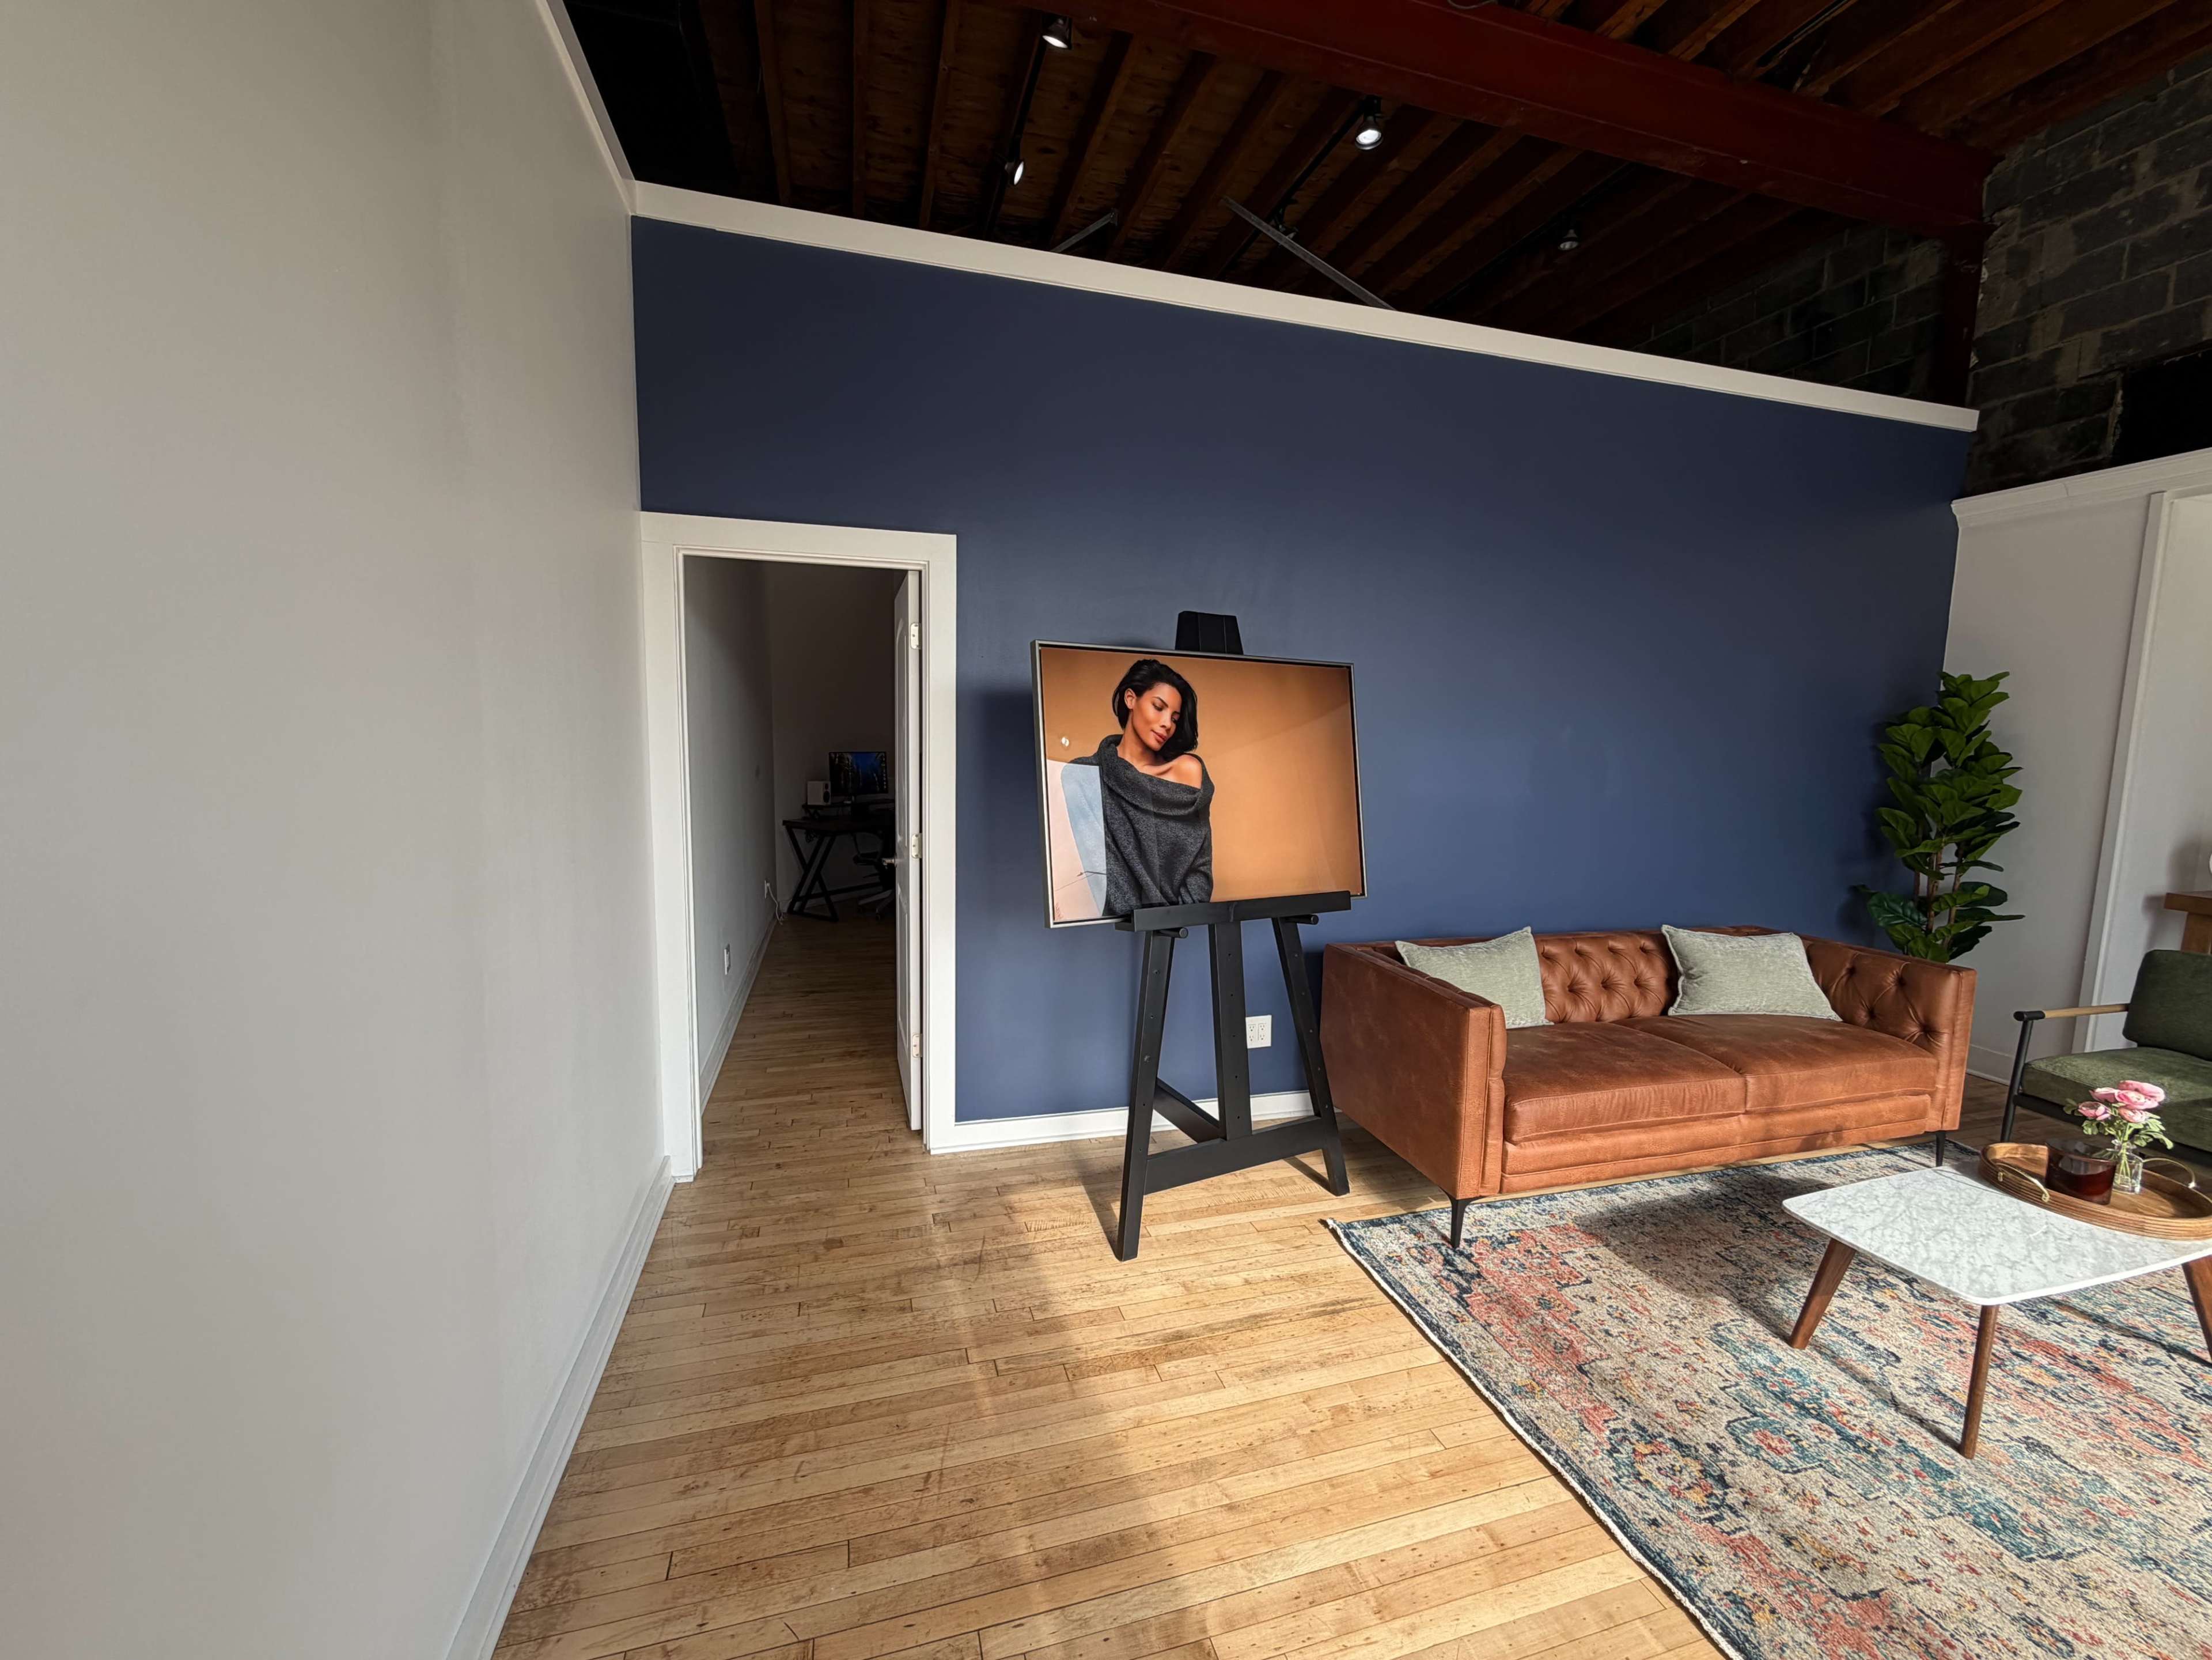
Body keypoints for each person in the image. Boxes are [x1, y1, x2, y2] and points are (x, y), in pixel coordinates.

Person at [1068, 658, 1213, 915]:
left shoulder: (1187, 771)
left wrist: (1181, 916)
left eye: (1175, 718)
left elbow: (1200, 866)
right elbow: (1101, 870)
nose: (1168, 724)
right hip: (1117, 926)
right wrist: (1142, 916)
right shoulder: (1083, 775)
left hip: (1182, 924)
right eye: (1159, 707)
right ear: (1131, 699)